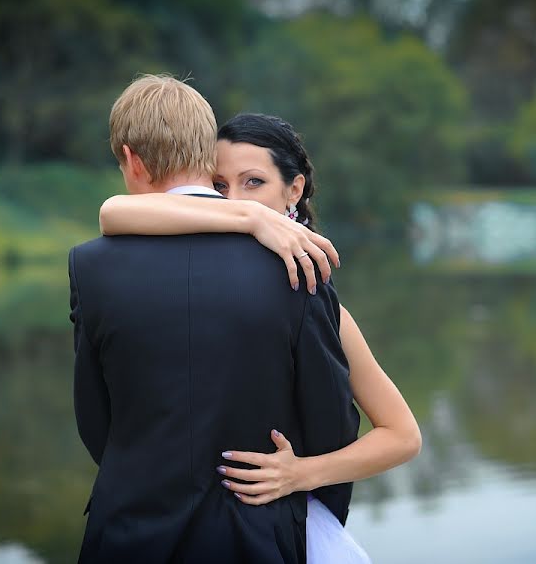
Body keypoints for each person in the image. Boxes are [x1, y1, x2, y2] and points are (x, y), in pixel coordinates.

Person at [98, 112, 423, 563]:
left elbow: (403, 435)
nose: (231, 199)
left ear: (294, 190)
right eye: (219, 185)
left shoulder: (314, 298)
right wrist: (250, 217)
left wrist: (301, 473)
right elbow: (112, 212)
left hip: (280, 531)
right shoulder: (206, 261)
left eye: (252, 183)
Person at [68, 75, 360, 563]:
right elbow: (331, 421)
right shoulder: (295, 264)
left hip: (128, 533)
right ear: (207, 154)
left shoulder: (90, 266)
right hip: (257, 536)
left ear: (131, 158)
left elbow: (95, 417)